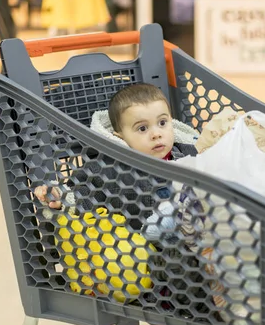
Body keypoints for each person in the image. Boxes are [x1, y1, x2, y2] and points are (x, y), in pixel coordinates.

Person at [33, 83, 198, 230]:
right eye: (142, 128)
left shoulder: (189, 154)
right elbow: (81, 195)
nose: (156, 134)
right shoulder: (108, 169)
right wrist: (59, 197)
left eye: (162, 123)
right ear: (120, 137)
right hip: (141, 253)